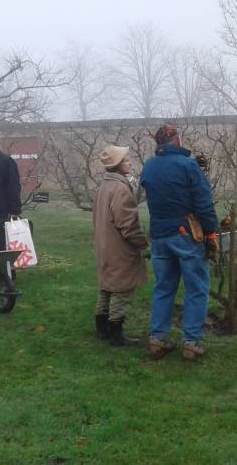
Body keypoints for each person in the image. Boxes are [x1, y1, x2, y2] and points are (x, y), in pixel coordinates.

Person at [140, 125, 219, 361]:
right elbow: (204, 204)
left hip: (159, 235)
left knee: (164, 287)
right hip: (186, 234)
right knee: (196, 288)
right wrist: (211, 233)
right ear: (177, 140)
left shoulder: (148, 167)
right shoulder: (188, 165)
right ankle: (191, 342)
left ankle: (158, 339)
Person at [93, 145, 148, 346]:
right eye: (126, 160)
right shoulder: (120, 189)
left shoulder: (104, 186)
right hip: (120, 249)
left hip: (105, 246)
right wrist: (143, 245)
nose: (130, 162)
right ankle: (115, 334)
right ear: (117, 165)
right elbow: (128, 225)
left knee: (107, 287)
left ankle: (101, 330)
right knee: (122, 290)